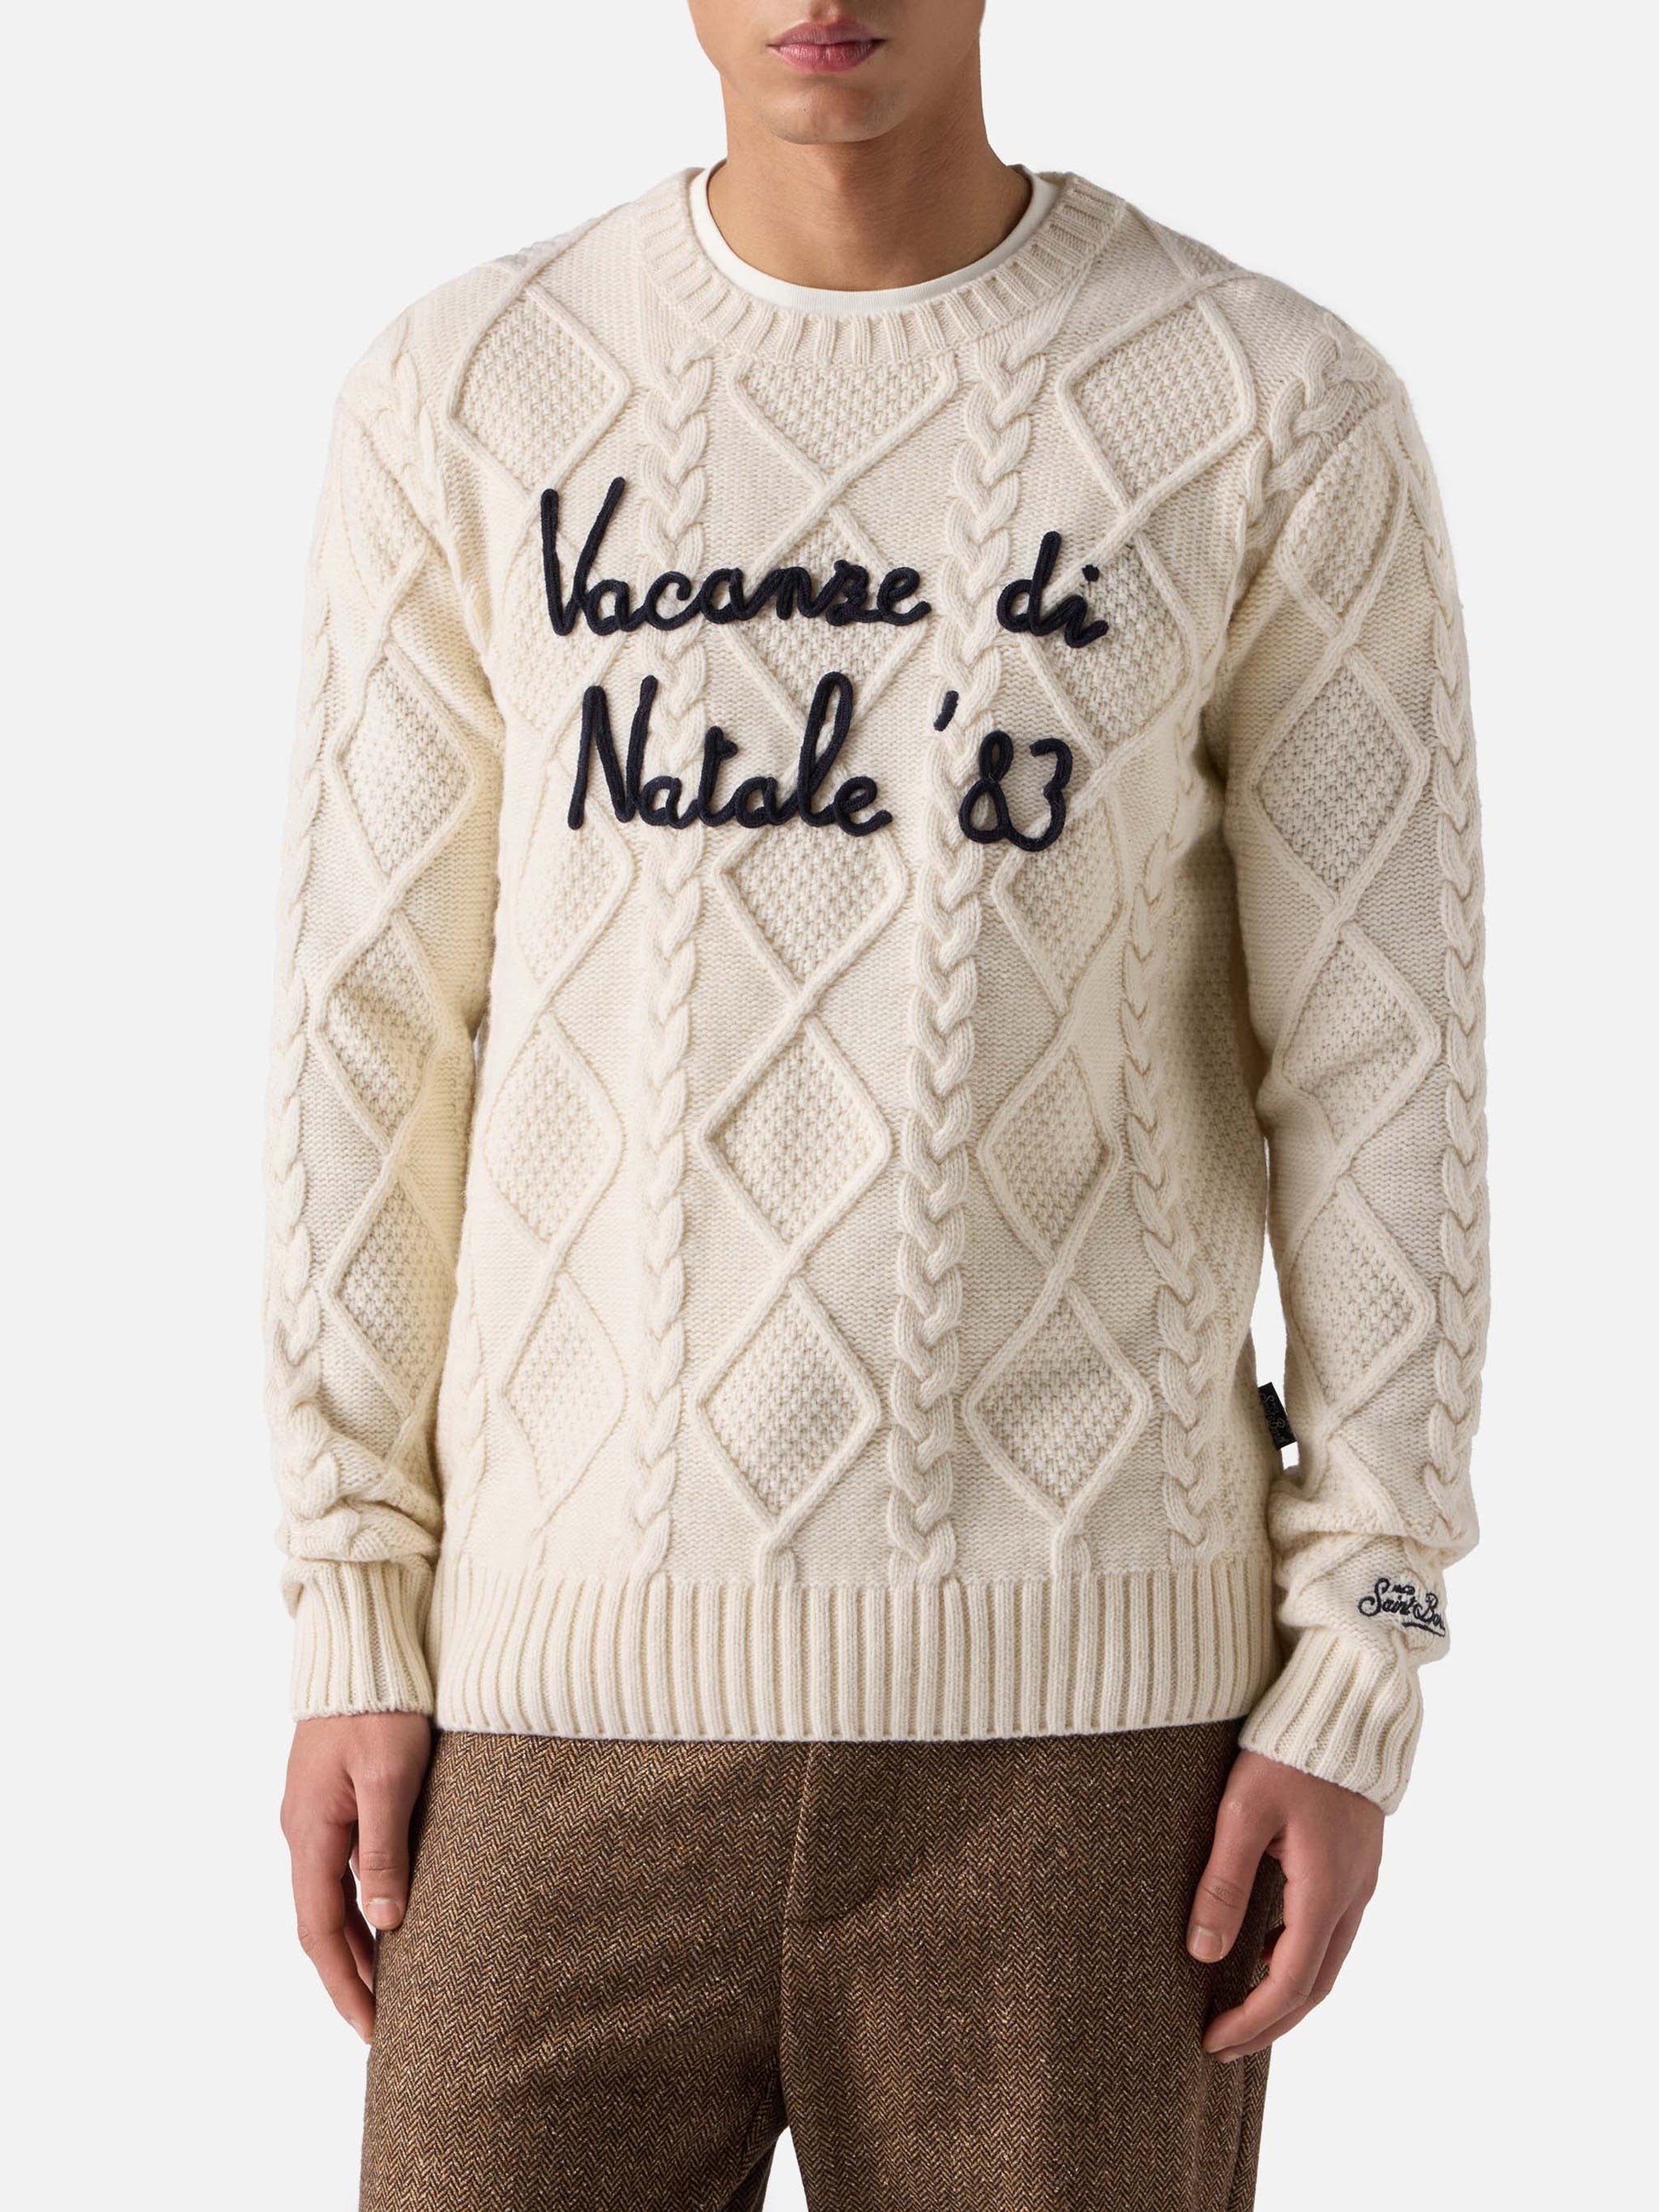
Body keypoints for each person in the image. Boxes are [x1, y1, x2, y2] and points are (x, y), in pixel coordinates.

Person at [266, 4, 1488, 2205]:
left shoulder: (1266, 401)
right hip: (542, 1709)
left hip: (1091, 1740)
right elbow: (373, 1028)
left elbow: (1383, 1059)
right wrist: (351, 1592)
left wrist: (1362, 1651)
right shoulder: (468, 389)